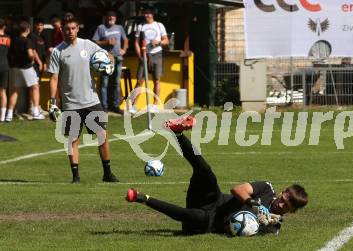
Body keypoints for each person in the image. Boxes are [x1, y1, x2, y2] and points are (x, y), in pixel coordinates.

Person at [126, 115, 308, 235]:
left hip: (208, 223)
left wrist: (263, 223)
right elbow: (237, 189)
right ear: (283, 191)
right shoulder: (267, 189)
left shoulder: (273, 228)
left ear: (291, 211)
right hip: (214, 201)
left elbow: (240, 231)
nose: (280, 203)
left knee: (198, 216)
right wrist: (254, 204)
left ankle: (143, 198)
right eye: (283, 198)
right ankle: (177, 133)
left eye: (286, 205)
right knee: (207, 173)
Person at [47, 18, 119, 183]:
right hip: (70, 104)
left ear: (77, 28)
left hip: (92, 101)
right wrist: (52, 102)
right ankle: (76, 177)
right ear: (62, 30)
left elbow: (108, 56)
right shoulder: (58, 51)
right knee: (73, 140)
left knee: (103, 136)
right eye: (67, 29)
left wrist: (110, 64)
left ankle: (108, 173)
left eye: (73, 28)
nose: (70, 31)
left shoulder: (88, 45)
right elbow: (54, 78)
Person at [131, 8, 169, 114]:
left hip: (157, 54)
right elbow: (136, 42)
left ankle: (155, 105)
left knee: (156, 80)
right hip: (144, 55)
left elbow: (166, 40)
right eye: (145, 13)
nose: (147, 15)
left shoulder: (159, 25)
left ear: (153, 14)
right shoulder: (140, 26)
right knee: (139, 81)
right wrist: (139, 55)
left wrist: (159, 42)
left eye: (149, 13)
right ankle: (133, 106)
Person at [6, 20, 44, 122]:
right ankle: (36, 112)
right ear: (28, 29)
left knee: (14, 91)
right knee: (35, 88)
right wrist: (32, 60)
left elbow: (9, 54)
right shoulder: (27, 41)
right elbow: (30, 54)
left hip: (15, 68)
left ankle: (9, 114)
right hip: (26, 67)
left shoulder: (14, 40)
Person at [93, 10, 128, 114]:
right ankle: (104, 107)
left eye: (113, 16)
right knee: (104, 83)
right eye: (109, 16)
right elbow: (94, 42)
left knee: (116, 83)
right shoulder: (101, 28)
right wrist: (106, 42)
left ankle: (116, 106)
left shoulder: (119, 28)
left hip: (118, 58)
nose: (111, 18)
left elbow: (125, 39)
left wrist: (124, 50)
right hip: (106, 58)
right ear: (106, 17)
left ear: (115, 18)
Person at [29, 18, 47, 114]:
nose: (40, 27)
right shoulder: (32, 36)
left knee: (37, 85)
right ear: (35, 26)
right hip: (33, 65)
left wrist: (44, 63)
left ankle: (36, 105)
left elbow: (43, 52)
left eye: (41, 25)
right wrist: (39, 62)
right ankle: (32, 106)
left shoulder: (42, 37)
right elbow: (33, 50)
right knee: (34, 85)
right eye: (38, 25)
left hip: (40, 65)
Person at [0, 19, 10, 122]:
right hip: (4, 65)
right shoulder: (8, 38)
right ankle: (2, 117)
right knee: (3, 92)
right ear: (4, 27)